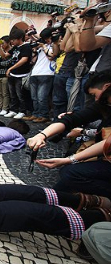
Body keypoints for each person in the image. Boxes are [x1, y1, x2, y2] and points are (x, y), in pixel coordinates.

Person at [28, 71, 111, 199]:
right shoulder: (104, 104)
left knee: (71, 173)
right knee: (62, 187)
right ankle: (49, 201)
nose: (96, 99)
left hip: (107, 156)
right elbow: (72, 119)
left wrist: (70, 160)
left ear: (106, 87)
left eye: (94, 95)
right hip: (104, 154)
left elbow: (107, 143)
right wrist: (41, 135)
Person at [28, 28, 58, 123]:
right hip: (35, 72)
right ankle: (36, 114)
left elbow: (52, 56)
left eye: (46, 38)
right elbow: (33, 61)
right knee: (34, 97)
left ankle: (44, 115)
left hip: (47, 73)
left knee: (42, 97)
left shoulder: (54, 45)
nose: (45, 40)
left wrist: (44, 47)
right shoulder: (40, 47)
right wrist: (35, 50)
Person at [5, 29, 33, 119]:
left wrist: (11, 68)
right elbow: (5, 55)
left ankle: (22, 111)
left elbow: (24, 59)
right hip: (13, 74)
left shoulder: (26, 47)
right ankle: (13, 110)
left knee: (20, 94)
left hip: (21, 74)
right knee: (12, 94)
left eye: (13, 40)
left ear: (20, 38)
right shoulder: (15, 47)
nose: (12, 42)